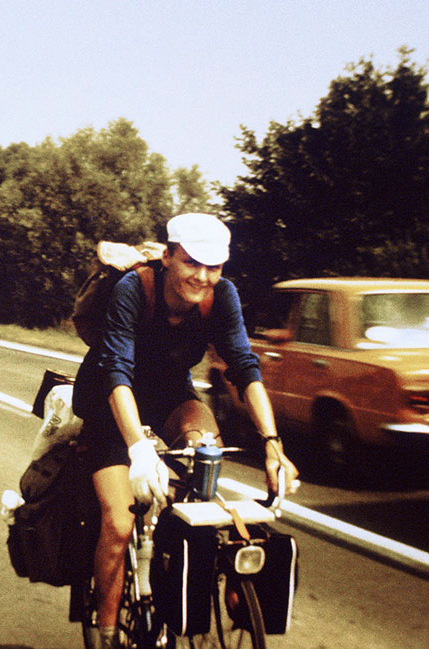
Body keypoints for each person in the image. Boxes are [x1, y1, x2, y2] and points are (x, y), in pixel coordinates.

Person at [71, 213, 300, 649]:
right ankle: (104, 633)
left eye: (214, 266)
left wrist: (273, 445)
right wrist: (138, 447)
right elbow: (117, 371)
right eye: (193, 262)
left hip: (172, 397)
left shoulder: (221, 296)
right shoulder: (134, 290)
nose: (202, 276)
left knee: (206, 452)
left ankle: (179, 571)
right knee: (119, 523)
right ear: (170, 255)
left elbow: (244, 367)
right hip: (111, 403)